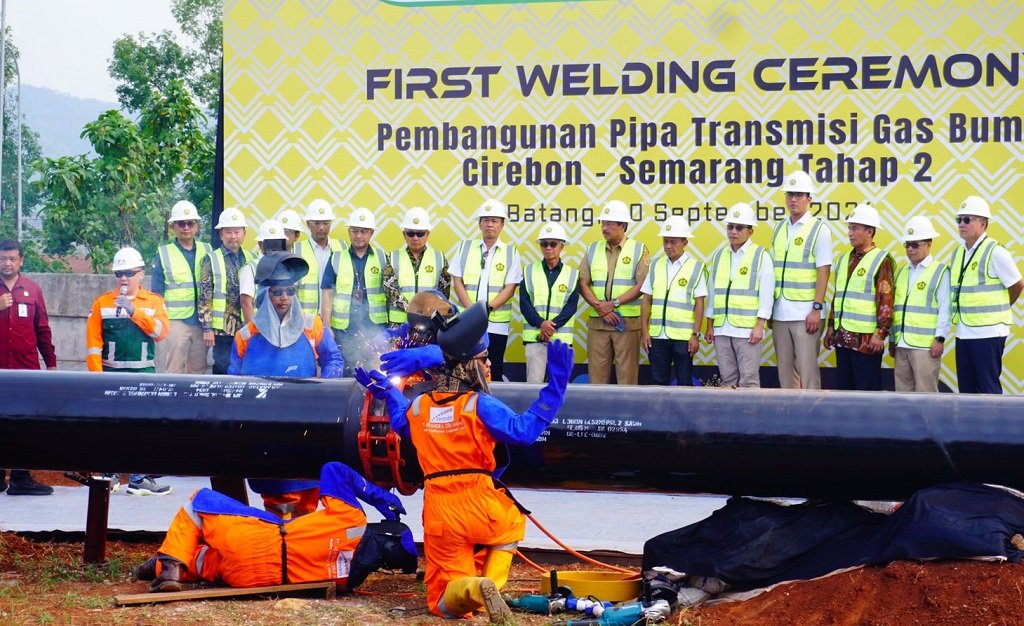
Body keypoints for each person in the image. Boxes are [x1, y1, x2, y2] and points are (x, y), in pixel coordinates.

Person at [355, 303, 574, 623]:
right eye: (484, 359)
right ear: (469, 366)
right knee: (512, 523)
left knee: (443, 602)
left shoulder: (420, 407)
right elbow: (524, 432)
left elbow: (401, 421)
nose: (489, 364)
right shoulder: (480, 405)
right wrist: (556, 388)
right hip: (483, 508)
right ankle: (490, 584)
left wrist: (388, 391)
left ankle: (474, 590)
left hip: (442, 514)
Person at [134, 461, 416, 593]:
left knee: (198, 503)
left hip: (261, 539)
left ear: (384, 532)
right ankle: (154, 568)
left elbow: (333, 469)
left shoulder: (351, 519)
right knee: (208, 561)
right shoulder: (351, 580)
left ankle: (170, 566)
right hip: (254, 578)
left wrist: (376, 494)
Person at [229, 252, 344, 517]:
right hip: (266, 425)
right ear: (265, 295)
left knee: (309, 489)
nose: (284, 298)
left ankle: (303, 532)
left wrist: (325, 388)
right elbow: (234, 380)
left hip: (307, 419)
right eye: (277, 292)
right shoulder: (246, 336)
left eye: (289, 291)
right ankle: (279, 533)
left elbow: (333, 359)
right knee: (277, 495)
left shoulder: (312, 325)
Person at [86, 247, 172, 495]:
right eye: (119, 273)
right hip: (111, 376)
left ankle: (138, 478)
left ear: (141, 274)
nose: (124, 278)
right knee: (111, 427)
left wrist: (135, 312)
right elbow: (93, 345)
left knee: (141, 427)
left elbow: (161, 333)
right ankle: (110, 475)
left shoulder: (154, 302)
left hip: (142, 375)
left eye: (129, 273)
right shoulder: (102, 303)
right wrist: (97, 379)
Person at [950, 195, 1024, 394]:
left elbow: (1017, 284)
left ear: (982, 223)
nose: (961, 224)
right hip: (964, 331)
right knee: (966, 390)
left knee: (988, 388)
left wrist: (1002, 306)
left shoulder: (996, 252)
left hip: (989, 332)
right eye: (959, 219)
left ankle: (994, 417)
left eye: (967, 219)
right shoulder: (958, 253)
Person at [0, 238, 56, 496]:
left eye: (12, 258)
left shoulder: (32, 289)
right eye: (3, 258)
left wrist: (51, 364)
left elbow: (42, 329)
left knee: (24, 423)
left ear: (21, 261)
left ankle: (21, 478)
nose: (7, 263)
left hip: (26, 372)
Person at [771, 171, 833, 389]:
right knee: (785, 374)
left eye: (798, 195)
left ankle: (812, 411)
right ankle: (790, 411)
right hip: (781, 312)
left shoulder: (819, 230)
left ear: (810, 198)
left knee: (808, 374)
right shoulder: (779, 228)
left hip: (806, 314)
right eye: (790, 194)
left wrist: (816, 308)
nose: (793, 199)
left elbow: (824, 271)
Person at [823, 203, 895, 392]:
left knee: (867, 391)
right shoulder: (844, 259)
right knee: (844, 391)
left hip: (867, 341)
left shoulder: (882, 260)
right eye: (849, 228)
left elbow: (886, 300)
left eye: (855, 228)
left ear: (870, 231)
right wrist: (831, 328)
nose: (850, 233)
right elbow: (839, 297)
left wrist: (880, 334)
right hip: (842, 337)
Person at [578, 200, 651, 385]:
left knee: (627, 377)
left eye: (610, 223)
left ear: (623, 226)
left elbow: (642, 285)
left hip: (626, 324)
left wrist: (614, 304)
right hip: (598, 322)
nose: (605, 228)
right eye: (603, 223)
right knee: (597, 378)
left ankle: (626, 406)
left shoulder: (639, 249)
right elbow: (583, 282)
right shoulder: (592, 248)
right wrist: (601, 308)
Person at [451, 199, 523, 382]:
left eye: (494, 220)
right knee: (464, 366)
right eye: (486, 220)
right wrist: (472, 313)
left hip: (496, 324)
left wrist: (486, 311)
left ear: (502, 225)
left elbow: (510, 288)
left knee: (494, 367)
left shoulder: (511, 253)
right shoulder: (464, 247)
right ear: (479, 224)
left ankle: (490, 399)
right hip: (466, 323)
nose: (490, 224)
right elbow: (457, 281)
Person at [704, 203, 775, 388]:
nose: (733, 232)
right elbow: (713, 294)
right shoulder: (719, 256)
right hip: (722, 328)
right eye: (730, 227)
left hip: (747, 330)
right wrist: (710, 325)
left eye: (739, 227)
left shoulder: (761, 256)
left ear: (750, 231)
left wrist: (759, 325)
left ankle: (750, 409)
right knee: (727, 381)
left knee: (748, 380)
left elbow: (767, 294)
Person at [321, 207, 390, 375]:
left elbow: (390, 294)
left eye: (364, 231)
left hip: (375, 328)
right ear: (349, 232)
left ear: (372, 233)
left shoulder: (383, 258)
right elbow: (327, 293)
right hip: (344, 330)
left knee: (376, 373)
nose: (359, 235)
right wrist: (327, 327)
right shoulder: (336, 258)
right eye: (355, 231)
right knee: (345, 373)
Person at [640, 216, 707, 386]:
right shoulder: (655, 265)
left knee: (684, 382)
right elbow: (646, 299)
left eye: (673, 242)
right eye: (665, 241)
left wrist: (695, 335)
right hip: (657, 335)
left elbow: (700, 303)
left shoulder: (696, 267)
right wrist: (645, 332)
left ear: (685, 243)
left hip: (683, 338)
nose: (668, 246)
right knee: (658, 382)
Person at [889, 216, 951, 393]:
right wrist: (893, 339)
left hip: (925, 347)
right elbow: (896, 309)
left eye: (915, 244)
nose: (910, 249)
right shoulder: (902, 271)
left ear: (928, 244)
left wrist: (940, 339)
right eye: (907, 244)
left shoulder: (940, 271)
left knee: (926, 394)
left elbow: (945, 309)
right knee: (902, 394)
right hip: (902, 344)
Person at [151, 200, 213, 374]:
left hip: (202, 321)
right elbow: (157, 292)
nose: (186, 227)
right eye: (181, 223)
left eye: (190, 223)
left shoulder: (208, 250)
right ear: (173, 227)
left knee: (199, 369)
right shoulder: (164, 253)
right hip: (176, 321)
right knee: (174, 368)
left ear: (197, 226)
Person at [520, 223, 580, 383]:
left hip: (561, 340)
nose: (548, 248)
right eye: (544, 244)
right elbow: (524, 304)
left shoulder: (572, 274)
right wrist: (541, 324)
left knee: (558, 385)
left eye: (553, 244)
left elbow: (571, 307)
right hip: (535, 339)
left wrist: (549, 328)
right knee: (533, 384)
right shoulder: (528, 271)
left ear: (562, 246)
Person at [198, 207, 251, 375]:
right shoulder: (211, 259)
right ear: (221, 234)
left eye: (237, 231)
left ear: (244, 233)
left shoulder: (252, 258)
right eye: (228, 232)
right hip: (222, 330)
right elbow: (205, 296)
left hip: (247, 326)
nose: (233, 236)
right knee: (223, 368)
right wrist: (207, 328)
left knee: (246, 367)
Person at [383, 207, 451, 325]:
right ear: (404, 234)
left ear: (427, 234)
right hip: (399, 323)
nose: (415, 238)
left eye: (420, 234)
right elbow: (389, 290)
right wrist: (413, 309)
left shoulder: (439, 258)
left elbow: (443, 294)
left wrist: (426, 311)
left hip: (429, 323)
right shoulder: (393, 258)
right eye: (410, 233)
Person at [294, 199, 345, 318]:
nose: (322, 227)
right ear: (308, 224)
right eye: (317, 223)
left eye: (326, 223)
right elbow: (291, 291)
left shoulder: (343, 248)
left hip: (335, 320)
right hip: (306, 320)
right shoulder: (296, 250)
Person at [239, 219, 290, 324]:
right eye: (270, 243)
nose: (274, 248)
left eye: (278, 243)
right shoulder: (251, 268)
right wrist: (253, 330)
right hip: (260, 325)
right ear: (260, 244)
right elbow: (246, 302)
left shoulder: (286, 266)